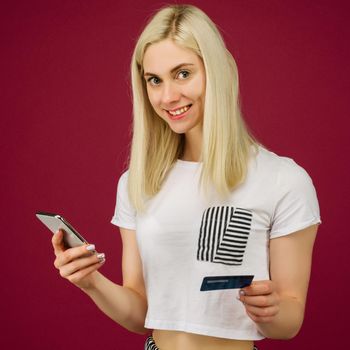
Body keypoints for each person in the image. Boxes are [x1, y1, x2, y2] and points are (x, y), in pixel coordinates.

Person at [51, 4, 321, 350]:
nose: (167, 97)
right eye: (154, 80)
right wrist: (91, 281)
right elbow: (141, 313)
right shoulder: (138, 183)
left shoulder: (284, 180)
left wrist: (272, 310)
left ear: (216, 71)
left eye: (183, 74)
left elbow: (289, 322)